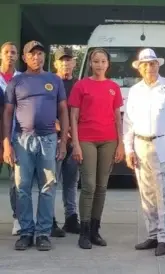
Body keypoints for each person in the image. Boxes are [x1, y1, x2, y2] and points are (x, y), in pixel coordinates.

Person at [3, 40, 69, 251]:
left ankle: (42, 233)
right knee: (22, 187)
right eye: (32, 54)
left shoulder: (54, 80)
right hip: (22, 140)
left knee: (48, 187)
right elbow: (7, 114)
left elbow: (64, 111)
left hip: (48, 139)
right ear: (24, 57)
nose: (36, 57)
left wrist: (64, 142)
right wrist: (6, 144)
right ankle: (25, 232)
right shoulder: (17, 82)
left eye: (40, 54)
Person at [123, 48, 165, 256]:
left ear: (158, 65)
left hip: (162, 145)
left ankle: (164, 238)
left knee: (163, 195)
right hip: (141, 145)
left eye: (152, 64)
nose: (149, 68)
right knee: (147, 194)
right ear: (139, 68)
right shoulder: (135, 91)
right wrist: (128, 149)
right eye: (145, 65)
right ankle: (152, 234)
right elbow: (128, 123)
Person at [69, 48, 124, 249]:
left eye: (103, 61)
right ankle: (83, 232)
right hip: (86, 140)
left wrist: (121, 143)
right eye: (95, 61)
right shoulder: (81, 86)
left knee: (102, 187)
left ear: (108, 64)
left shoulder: (113, 87)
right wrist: (75, 143)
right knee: (89, 185)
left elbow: (117, 118)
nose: (99, 65)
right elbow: (73, 117)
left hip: (109, 140)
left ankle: (94, 231)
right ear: (90, 63)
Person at [51, 47, 80, 237]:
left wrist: (73, 132)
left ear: (74, 63)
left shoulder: (79, 84)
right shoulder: (49, 82)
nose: (65, 64)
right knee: (51, 182)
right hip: (53, 138)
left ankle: (71, 219)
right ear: (55, 64)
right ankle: (50, 220)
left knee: (71, 182)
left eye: (69, 60)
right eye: (62, 60)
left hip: (74, 140)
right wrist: (61, 128)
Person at [0, 41, 21, 236]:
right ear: (1, 55)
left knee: (16, 181)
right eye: (6, 52)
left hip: (15, 137)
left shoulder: (22, 79)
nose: (10, 55)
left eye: (13, 52)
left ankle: (18, 219)